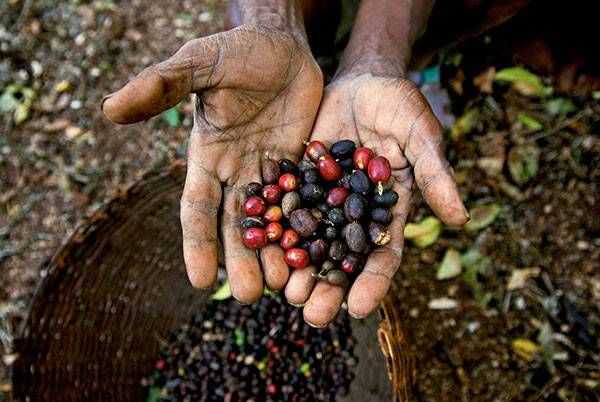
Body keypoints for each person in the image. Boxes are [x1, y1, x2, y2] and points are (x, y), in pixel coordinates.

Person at [102, 0, 473, 328]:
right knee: (308, 16)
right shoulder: (310, 199)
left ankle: (410, 58)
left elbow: (334, 206)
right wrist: (272, 22)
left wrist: (379, 58)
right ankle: (308, 41)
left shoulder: (329, 199)